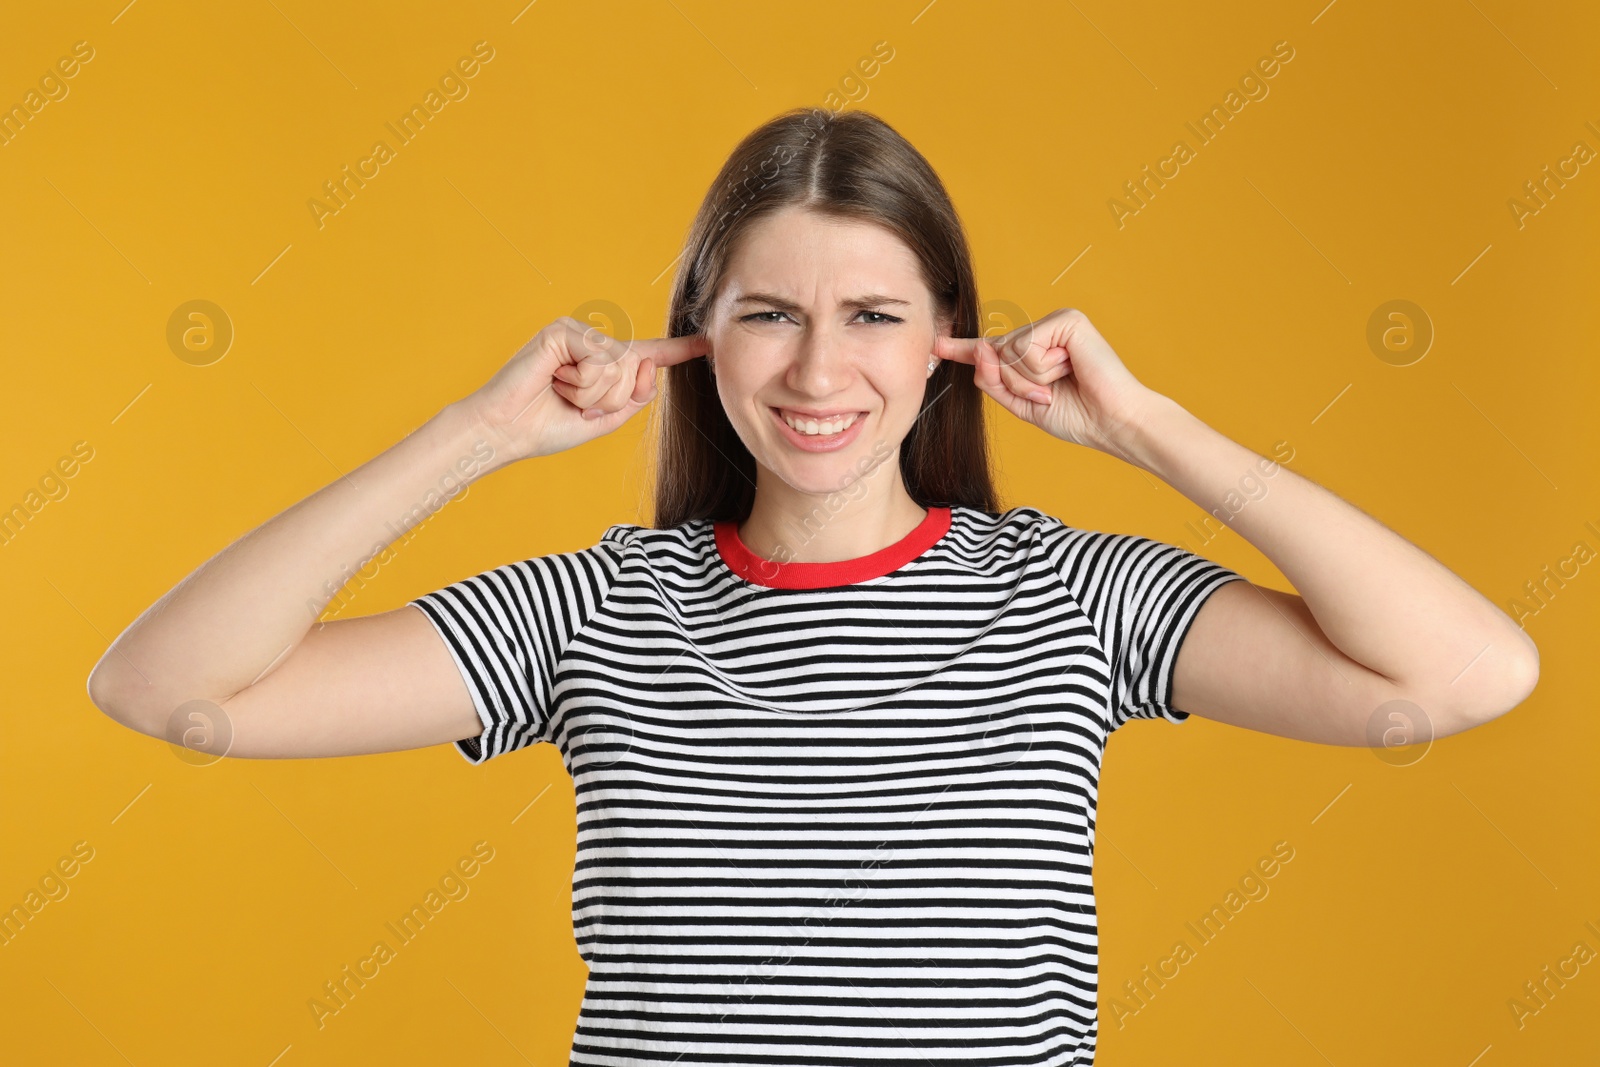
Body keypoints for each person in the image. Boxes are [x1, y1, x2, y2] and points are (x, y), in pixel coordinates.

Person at [88, 107, 1538, 1065]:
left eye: (874, 316)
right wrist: (478, 436)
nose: (819, 371)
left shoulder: (1076, 601)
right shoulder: (594, 611)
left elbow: (1465, 677)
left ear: (945, 344)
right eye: (768, 315)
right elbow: (166, 690)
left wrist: (1144, 427)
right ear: (697, 342)